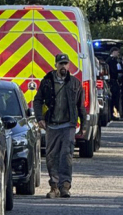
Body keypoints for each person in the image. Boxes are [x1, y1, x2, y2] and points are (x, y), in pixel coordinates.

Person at [34, 53, 87, 199]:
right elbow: (37, 100)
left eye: (66, 64)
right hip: (52, 125)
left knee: (66, 155)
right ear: (56, 65)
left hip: (68, 125)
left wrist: (83, 125)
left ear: (69, 65)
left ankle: (65, 186)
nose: (63, 66)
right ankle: (54, 187)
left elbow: (81, 106)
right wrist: (40, 118)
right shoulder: (47, 82)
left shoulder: (75, 83)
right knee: (51, 156)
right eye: (61, 64)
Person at [106, 47, 123, 119]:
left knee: (115, 99)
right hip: (112, 82)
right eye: (117, 52)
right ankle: (114, 115)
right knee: (114, 99)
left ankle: (114, 114)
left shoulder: (113, 60)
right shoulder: (111, 60)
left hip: (113, 82)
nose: (118, 54)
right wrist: (122, 71)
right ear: (113, 52)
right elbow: (113, 71)